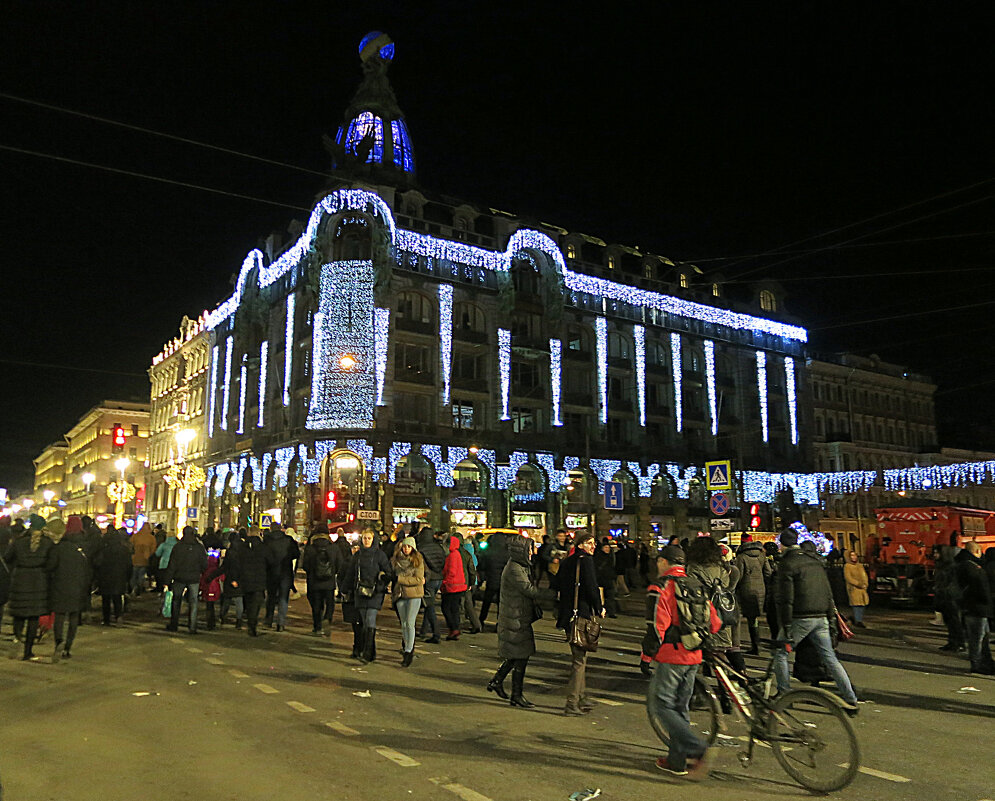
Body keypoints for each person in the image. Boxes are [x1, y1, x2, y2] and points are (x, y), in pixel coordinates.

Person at [643, 544, 722, 779]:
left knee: (661, 705)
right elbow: (715, 623)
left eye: (659, 561)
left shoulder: (661, 587)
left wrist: (647, 656)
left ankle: (698, 749)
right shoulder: (696, 585)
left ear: (664, 562)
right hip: (694, 655)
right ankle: (677, 761)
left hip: (671, 655)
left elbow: (657, 627)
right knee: (680, 706)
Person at [772, 529, 859, 712]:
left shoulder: (787, 563)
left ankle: (784, 693)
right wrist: (829, 617)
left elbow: (786, 598)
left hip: (800, 617)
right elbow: (827, 592)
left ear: (783, 544)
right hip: (820, 616)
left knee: (781, 652)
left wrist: (786, 626)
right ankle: (850, 698)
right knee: (830, 658)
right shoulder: (815, 561)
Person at [488, 534, 541, 708]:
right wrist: (552, 594)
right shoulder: (515, 568)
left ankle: (498, 681)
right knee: (521, 656)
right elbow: (528, 589)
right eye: (531, 549)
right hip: (514, 618)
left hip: (518, 616)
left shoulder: (520, 566)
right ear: (522, 551)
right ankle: (516, 695)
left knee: (517, 655)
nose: (534, 553)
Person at [556, 530, 604, 715]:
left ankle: (581, 697)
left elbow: (558, 584)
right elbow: (592, 587)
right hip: (580, 614)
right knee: (579, 660)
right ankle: (572, 702)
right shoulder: (586, 562)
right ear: (580, 545)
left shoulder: (568, 562)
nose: (593, 546)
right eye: (589, 543)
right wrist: (599, 607)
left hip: (568, 615)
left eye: (594, 543)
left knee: (580, 657)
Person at [4, 514, 54, 660]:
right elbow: (51, 563)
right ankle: (28, 651)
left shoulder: (19, 542)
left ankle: (17, 638)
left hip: (20, 579)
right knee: (33, 617)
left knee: (19, 613)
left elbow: (7, 557)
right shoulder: (47, 543)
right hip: (39, 582)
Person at [47, 515, 90, 661]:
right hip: (78, 586)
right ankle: (67, 648)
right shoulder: (85, 546)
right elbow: (87, 569)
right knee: (73, 617)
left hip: (60, 585)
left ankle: (59, 641)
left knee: (59, 616)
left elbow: (50, 566)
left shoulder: (59, 547)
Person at [345, 529, 391, 664]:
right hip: (360, 592)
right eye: (364, 538)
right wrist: (345, 589)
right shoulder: (357, 556)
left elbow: (388, 571)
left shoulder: (380, 555)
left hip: (375, 593)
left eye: (369, 538)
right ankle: (371, 651)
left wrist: (382, 580)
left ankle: (367, 653)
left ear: (373, 539)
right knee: (364, 622)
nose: (366, 541)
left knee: (370, 620)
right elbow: (350, 573)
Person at [954, 540, 994, 675]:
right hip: (978, 607)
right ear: (976, 552)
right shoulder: (972, 567)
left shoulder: (962, 565)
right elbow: (981, 588)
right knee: (977, 637)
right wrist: (987, 602)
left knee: (982, 636)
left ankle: (985, 661)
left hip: (971, 607)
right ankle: (977, 664)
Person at [166, 526, 208, 634]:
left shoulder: (178, 547)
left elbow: (172, 564)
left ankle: (174, 624)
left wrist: (168, 580)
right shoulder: (199, 548)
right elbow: (204, 564)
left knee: (176, 601)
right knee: (193, 603)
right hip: (194, 578)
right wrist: (201, 572)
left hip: (179, 577)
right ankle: (192, 626)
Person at [734, 534, 772, 654]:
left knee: (751, 617)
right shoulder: (762, 555)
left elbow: (738, 575)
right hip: (761, 588)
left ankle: (755, 645)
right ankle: (758, 643)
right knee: (756, 616)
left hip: (747, 589)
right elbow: (768, 572)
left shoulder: (742, 557)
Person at [391, 536, 425, 667]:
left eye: (409, 546)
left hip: (414, 595)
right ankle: (406, 646)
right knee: (404, 624)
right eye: (404, 546)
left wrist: (401, 579)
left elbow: (418, 579)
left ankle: (408, 651)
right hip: (400, 594)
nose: (406, 549)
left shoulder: (418, 560)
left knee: (410, 623)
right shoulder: (396, 560)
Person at [302, 524, 342, 636]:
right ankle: (327, 618)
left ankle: (317, 626)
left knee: (316, 605)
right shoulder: (334, 548)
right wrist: (332, 572)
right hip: (329, 583)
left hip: (314, 583)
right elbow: (340, 565)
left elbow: (305, 566)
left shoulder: (310, 548)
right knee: (330, 602)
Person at [263, 522, 300, 632]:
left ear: (271, 529)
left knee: (271, 597)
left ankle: (268, 621)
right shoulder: (288, 540)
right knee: (283, 598)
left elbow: (264, 557)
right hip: (286, 573)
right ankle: (281, 623)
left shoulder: (267, 541)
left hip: (271, 573)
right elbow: (296, 554)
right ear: (281, 529)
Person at [93, 528, 131, 626]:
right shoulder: (124, 550)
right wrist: (127, 577)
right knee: (117, 598)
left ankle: (106, 619)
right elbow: (129, 565)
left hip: (105, 577)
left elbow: (98, 563)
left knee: (106, 599)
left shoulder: (104, 550)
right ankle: (118, 616)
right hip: (119, 577)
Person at [237, 528, 269, 636]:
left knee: (248, 602)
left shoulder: (243, 547)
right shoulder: (263, 548)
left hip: (245, 579)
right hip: (259, 579)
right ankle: (252, 624)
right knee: (256, 603)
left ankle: (250, 622)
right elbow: (270, 562)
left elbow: (238, 562)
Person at [417, 528, 446, 643]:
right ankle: (424, 630)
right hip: (438, 578)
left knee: (429, 607)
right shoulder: (439, 548)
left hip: (429, 579)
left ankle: (436, 633)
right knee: (429, 603)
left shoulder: (422, 549)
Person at [935, 545, 965, 651]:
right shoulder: (942, 566)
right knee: (949, 621)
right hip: (944, 596)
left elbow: (952, 583)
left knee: (954, 620)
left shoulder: (951, 567)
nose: (935, 555)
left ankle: (959, 643)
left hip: (950, 597)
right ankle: (952, 642)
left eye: (937, 552)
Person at [479, 530, 510, 626]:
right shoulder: (507, 552)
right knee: (501, 604)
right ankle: (500, 623)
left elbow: (482, 566)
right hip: (504, 581)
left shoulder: (489, 551)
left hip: (491, 580)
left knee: (486, 602)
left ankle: (481, 620)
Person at [441, 534, 469, 640]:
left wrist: (445, 581)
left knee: (446, 607)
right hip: (459, 585)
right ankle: (454, 629)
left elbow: (451, 571)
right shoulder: (457, 554)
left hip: (452, 586)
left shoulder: (452, 555)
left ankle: (453, 628)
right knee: (454, 608)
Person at [460, 533, 482, 634]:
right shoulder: (473, 556)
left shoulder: (464, 555)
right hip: (473, 583)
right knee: (468, 603)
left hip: (467, 583)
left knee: (466, 604)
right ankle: (474, 623)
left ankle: (475, 624)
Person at [843, 551, 869, 628]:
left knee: (862, 604)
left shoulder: (860, 566)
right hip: (854, 589)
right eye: (852, 555)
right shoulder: (847, 566)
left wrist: (865, 584)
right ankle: (858, 620)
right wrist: (858, 584)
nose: (854, 557)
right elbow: (848, 578)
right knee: (856, 604)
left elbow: (864, 575)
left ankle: (859, 619)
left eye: (855, 555)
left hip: (862, 589)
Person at [594, 538, 619, 618]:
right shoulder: (598, 557)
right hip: (600, 579)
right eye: (605, 547)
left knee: (610, 596)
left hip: (609, 579)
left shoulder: (611, 556)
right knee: (601, 597)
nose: (607, 549)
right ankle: (600, 611)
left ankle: (611, 612)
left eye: (608, 548)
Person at [129, 522, 157, 596]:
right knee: (141, 576)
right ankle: (138, 590)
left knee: (134, 575)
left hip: (135, 559)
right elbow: (153, 549)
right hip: (145, 560)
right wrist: (148, 555)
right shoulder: (151, 538)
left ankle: (133, 588)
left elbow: (130, 546)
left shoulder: (135, 536)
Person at [200, 548, 224, 630]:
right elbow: (223, 578)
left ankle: (210, 623)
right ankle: (213, 622)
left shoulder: (206, 571)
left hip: (207, 590)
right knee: (213, 606)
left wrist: (201, 589)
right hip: (215, 590)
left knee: (209, 607)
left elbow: (202, 581)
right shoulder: (217, 570)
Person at [154, 530, 178, 595]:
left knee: (163, 579)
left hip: (164, 564)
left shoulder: (164, 544)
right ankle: (171, 591)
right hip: (175, 565)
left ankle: (163, 591)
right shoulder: (178, 545)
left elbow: (157, 553)